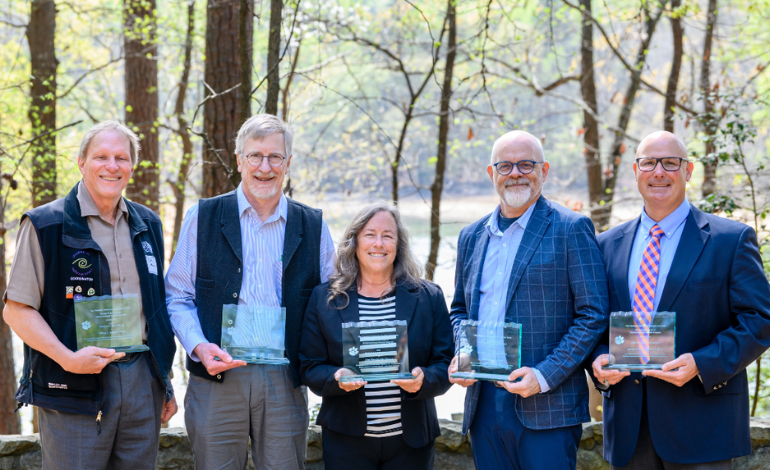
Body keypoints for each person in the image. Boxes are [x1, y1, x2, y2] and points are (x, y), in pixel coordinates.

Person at [2, 120, 177, 470]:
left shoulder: (148, 225)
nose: (112, 166)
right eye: (101, 157)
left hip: (142, 381)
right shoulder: (45, 224)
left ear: (131, 165)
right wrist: (68, 359)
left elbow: (157, 310)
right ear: (81, 162)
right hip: (74, 382)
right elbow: (17, 310)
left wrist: (165, 381)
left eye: (121, 158)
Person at [590, 131, 770, 469]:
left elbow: (760, 319)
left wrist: (703, 363)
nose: (659, 172)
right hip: (630, 430)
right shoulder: (606, 245)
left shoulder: (729, 240)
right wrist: (598, 359)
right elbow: (593, 320)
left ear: (687, 171)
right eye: (649, 163)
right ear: (635, 170)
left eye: (670, 163)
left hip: (702, 425)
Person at [165, 113, 335, 470]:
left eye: (275, 157)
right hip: (217, 373)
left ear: (288, 163)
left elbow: (332, 305)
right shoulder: (204, 217)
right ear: (239, 160)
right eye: (255, 156)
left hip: (284, 379)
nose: (265, 167)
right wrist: (199, 346)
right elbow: (177, 296)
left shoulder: (313, 225)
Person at [447, 130, 609, 470]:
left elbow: (593, 313)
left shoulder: (571, 228)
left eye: (526, 164)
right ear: (492, 174)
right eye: (505, 166)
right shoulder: (471, 236)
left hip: (547, 405)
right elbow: (460, 310)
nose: (516, 173)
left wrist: (544, 374)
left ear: (544, 171)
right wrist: (463, 352)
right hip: (484, 402)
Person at [299, 203, 454, 470]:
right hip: (346, 442)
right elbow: (309, 367)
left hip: (411, 444)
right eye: (370, 234)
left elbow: (445, 362)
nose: (379, 244)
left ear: (399, 244)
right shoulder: (325, 298)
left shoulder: (429, 296)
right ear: (355, 242)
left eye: (388, 235)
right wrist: (336, 378)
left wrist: (423, 380)